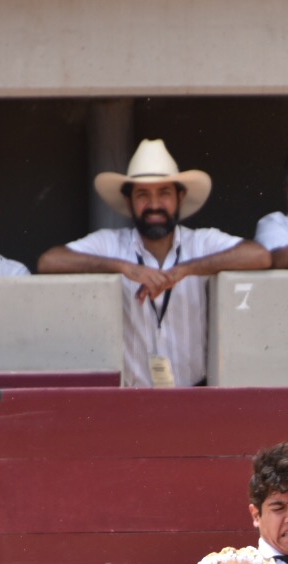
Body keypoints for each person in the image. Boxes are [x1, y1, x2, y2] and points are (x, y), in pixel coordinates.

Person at [37, 139, 270, 387]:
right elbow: (49, 261)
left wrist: (184, 270)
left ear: (180, 197)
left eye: (164, 193)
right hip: (130, 402)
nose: (155, 205)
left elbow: (259, 256)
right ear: (129, 202)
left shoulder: (200, 243)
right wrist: (127, 268)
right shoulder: (111, 245)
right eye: (143, 195)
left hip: (194, 396)